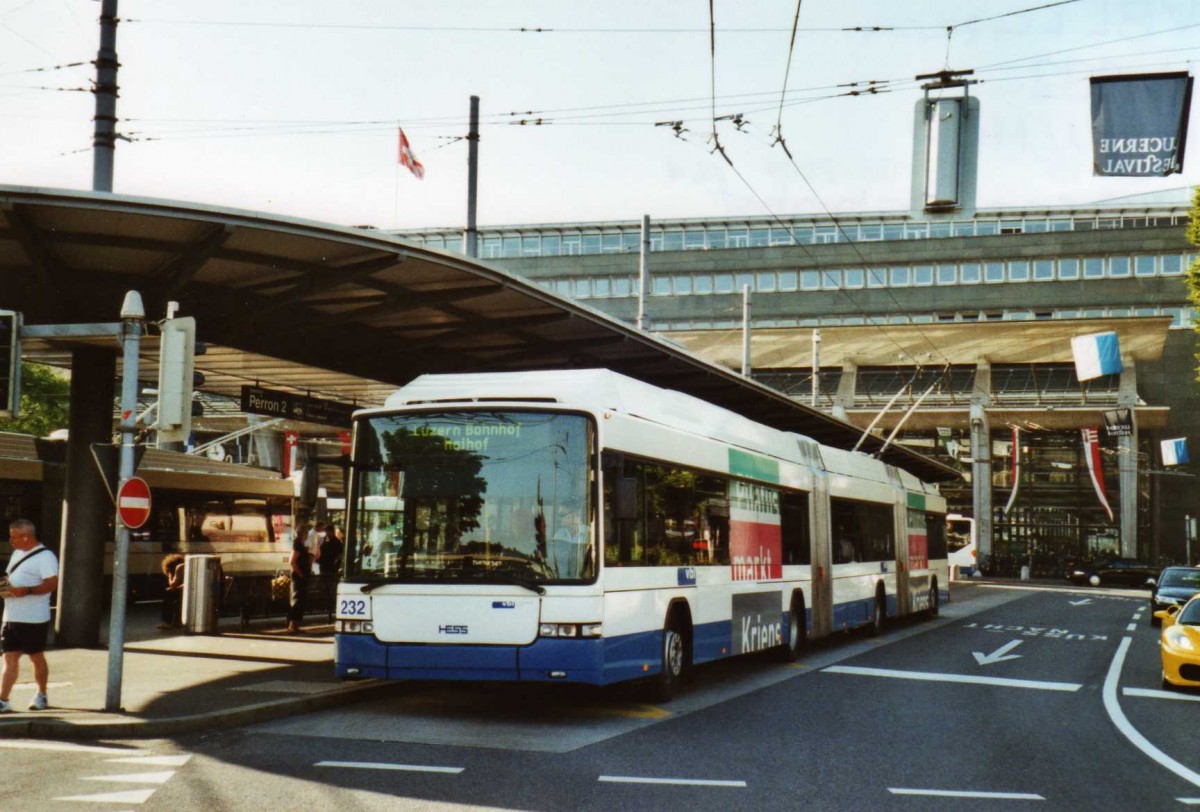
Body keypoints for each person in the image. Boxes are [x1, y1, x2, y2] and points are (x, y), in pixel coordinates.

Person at [0, 518, 59, 712]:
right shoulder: (17, 553)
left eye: (14, 536)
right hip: (11, 615)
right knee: (9, 658)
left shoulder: (45, 557)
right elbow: (13, 580)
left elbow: (52, 583)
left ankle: (41, 695)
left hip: (33, 617)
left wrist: (27, 591)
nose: (11, 540)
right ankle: (3, 700)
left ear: (26, 537)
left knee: (36, 657)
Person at [287, 524, 313, 634]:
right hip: (299, 577)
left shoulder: (300, 544)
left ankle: (296, 625)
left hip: (302, 575)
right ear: (303, 534)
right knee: (297, 599)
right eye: (306, 533)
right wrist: (300, 574)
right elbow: (292, 561)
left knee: (300, 600)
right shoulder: (297, 545)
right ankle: (292, 625)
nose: (307, 535)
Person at [318, 525, 344, 621]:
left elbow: (340, 556)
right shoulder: (323, 540)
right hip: (323, 567)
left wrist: (336, 566)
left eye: (329, 532)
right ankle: (326, 607)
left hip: (331, 569)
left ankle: (330, 608)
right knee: (324, 588)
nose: (327, 534)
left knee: (331, 589)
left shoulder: (336, 542)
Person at [158, 553, 187, 630]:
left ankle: (168, 621)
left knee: (168, 596)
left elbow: (173, 584)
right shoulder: (186, 566)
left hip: (185, 593)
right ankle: (176, 621)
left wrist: (170, 574)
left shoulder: (179, 567)